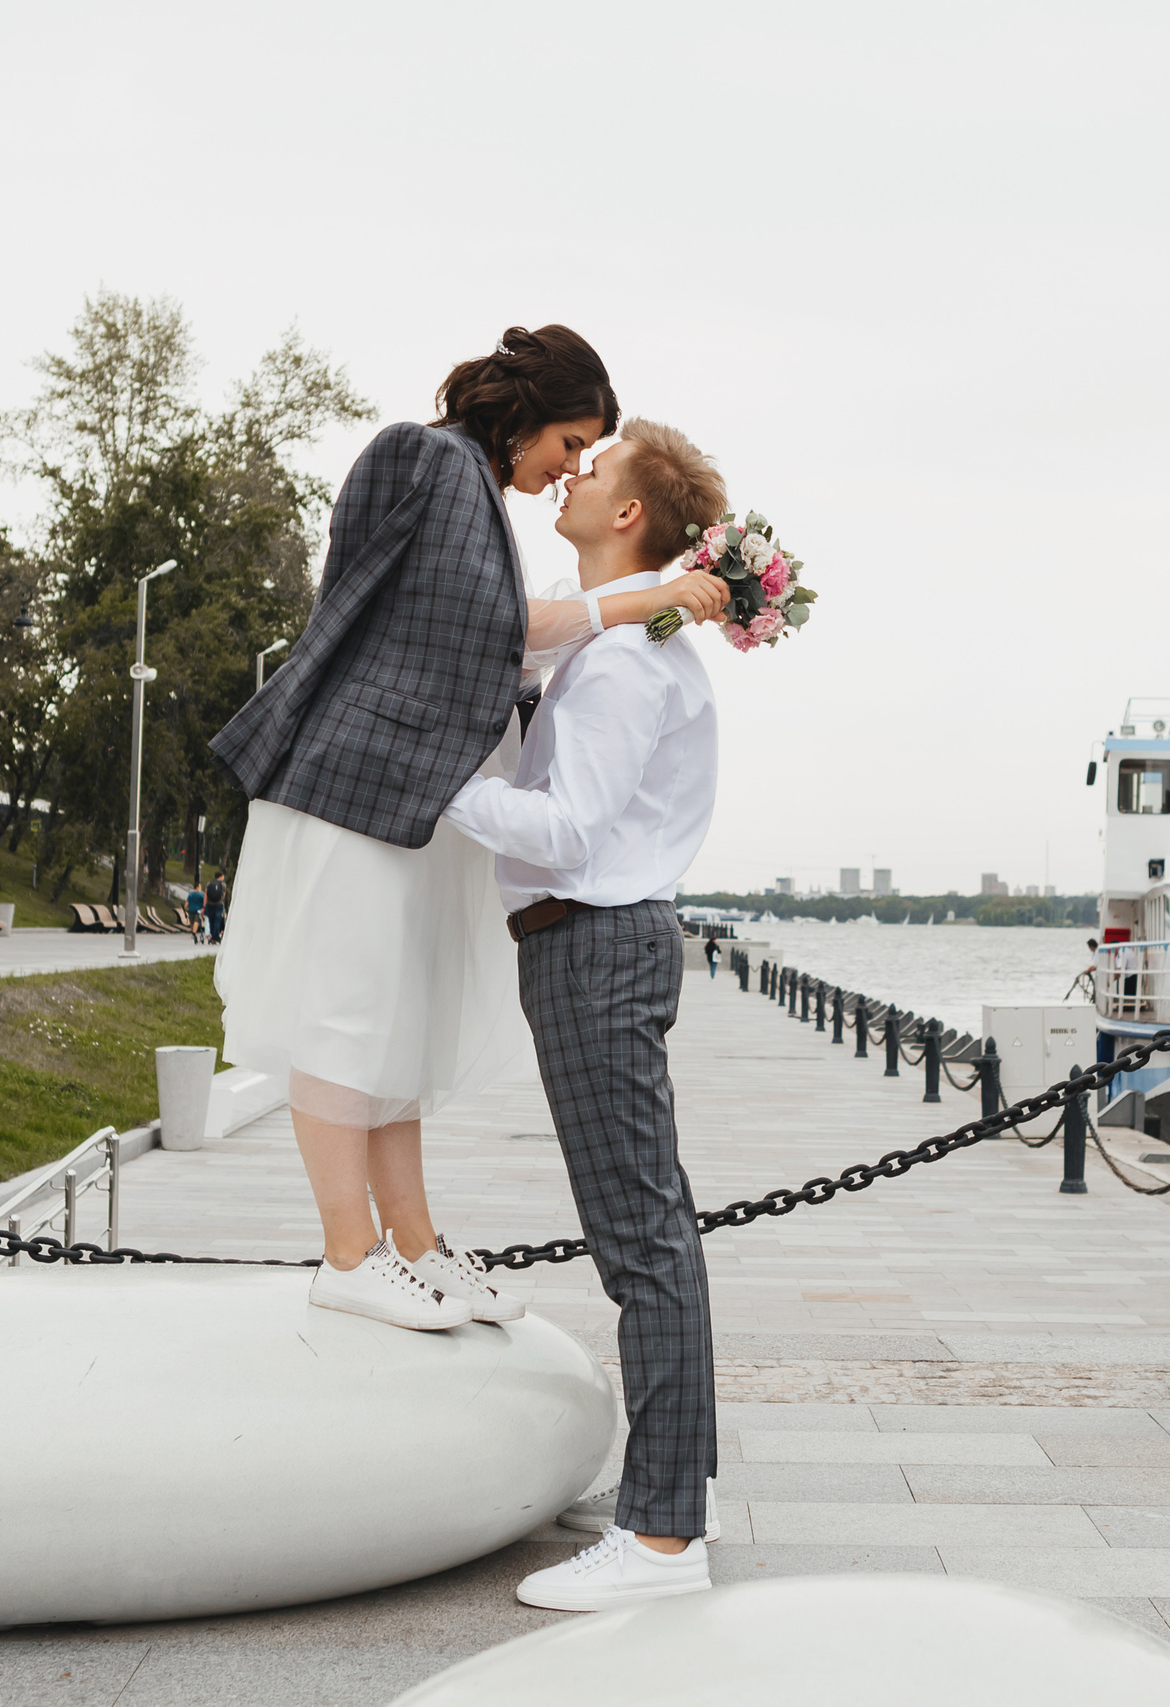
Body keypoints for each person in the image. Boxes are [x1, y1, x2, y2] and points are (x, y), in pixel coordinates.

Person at [207, 328, 725, 1333]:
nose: (567, 468)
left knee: (389, 1025)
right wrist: (646, 600)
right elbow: (488, 633)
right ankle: (346, 1253)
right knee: (345, 1016)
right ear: (527, 412)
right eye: (569, 443)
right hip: (366, 793)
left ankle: (413, 1245)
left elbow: (482, 650)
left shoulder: (473, 486)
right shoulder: (431, 457)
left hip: (412, 804)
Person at [440, 419, 728, 1612]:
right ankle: (672, 1497)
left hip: (593, 946)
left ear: (629, 516)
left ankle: (661, 1541)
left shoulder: (623, 662)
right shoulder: (623, 640)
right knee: (649, 1232)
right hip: (597, 945)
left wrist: (444, 788)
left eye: (595, 469)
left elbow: (566, 833)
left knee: (640, 1242)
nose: (572, 475)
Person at [203, 873, 227, 944]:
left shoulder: (209, 884)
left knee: (211, 921)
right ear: (220, 877)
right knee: (217, 920)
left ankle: (213, 936)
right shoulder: (223, 885)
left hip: (210, 905)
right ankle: (215, 937)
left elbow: (206, 895)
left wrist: (204, 906)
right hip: (218, 904)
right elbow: (223, 896)